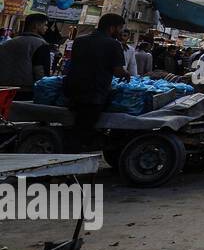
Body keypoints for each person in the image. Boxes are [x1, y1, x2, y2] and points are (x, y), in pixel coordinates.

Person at [62, 13, 129, 150]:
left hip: (73, 90)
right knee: (84, 130)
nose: (121, 32)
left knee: (75, 126)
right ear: (112, 28)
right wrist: (126, 73)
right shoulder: (113, 45)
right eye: (120, 28)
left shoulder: (80, 40)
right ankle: (72, 157)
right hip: (95, 94)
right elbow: (118, 71)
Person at [0, 12, 53, 99]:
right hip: (25, 91)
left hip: (4, 89)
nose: (46, 28)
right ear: (36, 25)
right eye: (45, 25)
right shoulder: (41, 44)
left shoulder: (8, 43)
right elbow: (40, 71)